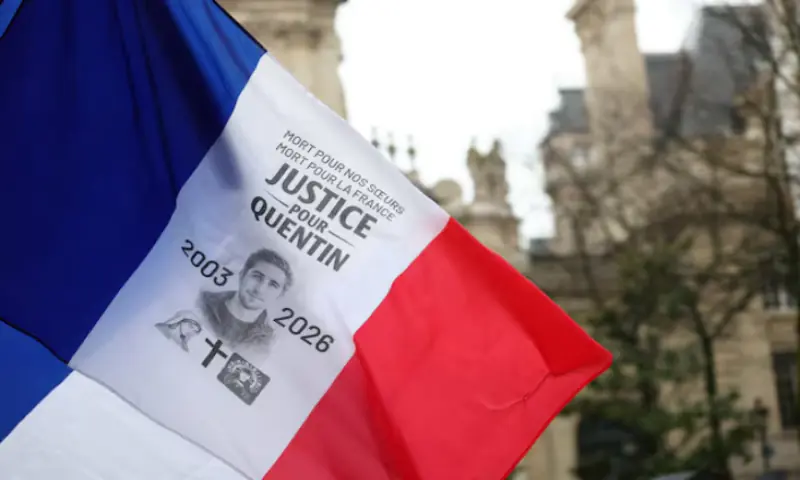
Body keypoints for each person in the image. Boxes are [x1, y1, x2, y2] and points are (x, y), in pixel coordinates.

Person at [198, 248, 293, 352]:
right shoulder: (202, 302)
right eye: (257, 277)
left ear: (280, 295)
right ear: (242, 274)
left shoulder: (267, 342)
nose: (259, 289)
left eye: (273, 285)